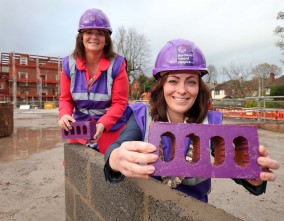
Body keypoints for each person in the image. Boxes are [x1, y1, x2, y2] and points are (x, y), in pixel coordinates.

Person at [103, 38, 280, 203]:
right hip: (147, 208)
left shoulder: (210, 123)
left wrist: (253, 177)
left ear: (199, 87)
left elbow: (232, 162)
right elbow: (118, 146)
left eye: (191, 82)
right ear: (162, 85)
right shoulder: (143, 115)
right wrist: (115, 159)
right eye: (173, 81)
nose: (182, 90)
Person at [58, 8, 129, 154]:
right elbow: (65, 99)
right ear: (81, 37)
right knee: (77, 169)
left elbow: (120, 103)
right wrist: (64, 114)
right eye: (89, 32)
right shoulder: (68, 64)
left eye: (100, 33)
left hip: (110, 128)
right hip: (80, 128)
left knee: (110, 167)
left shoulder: (117, 64)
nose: (94, 37)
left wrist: (103, 123)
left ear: (106, 39)